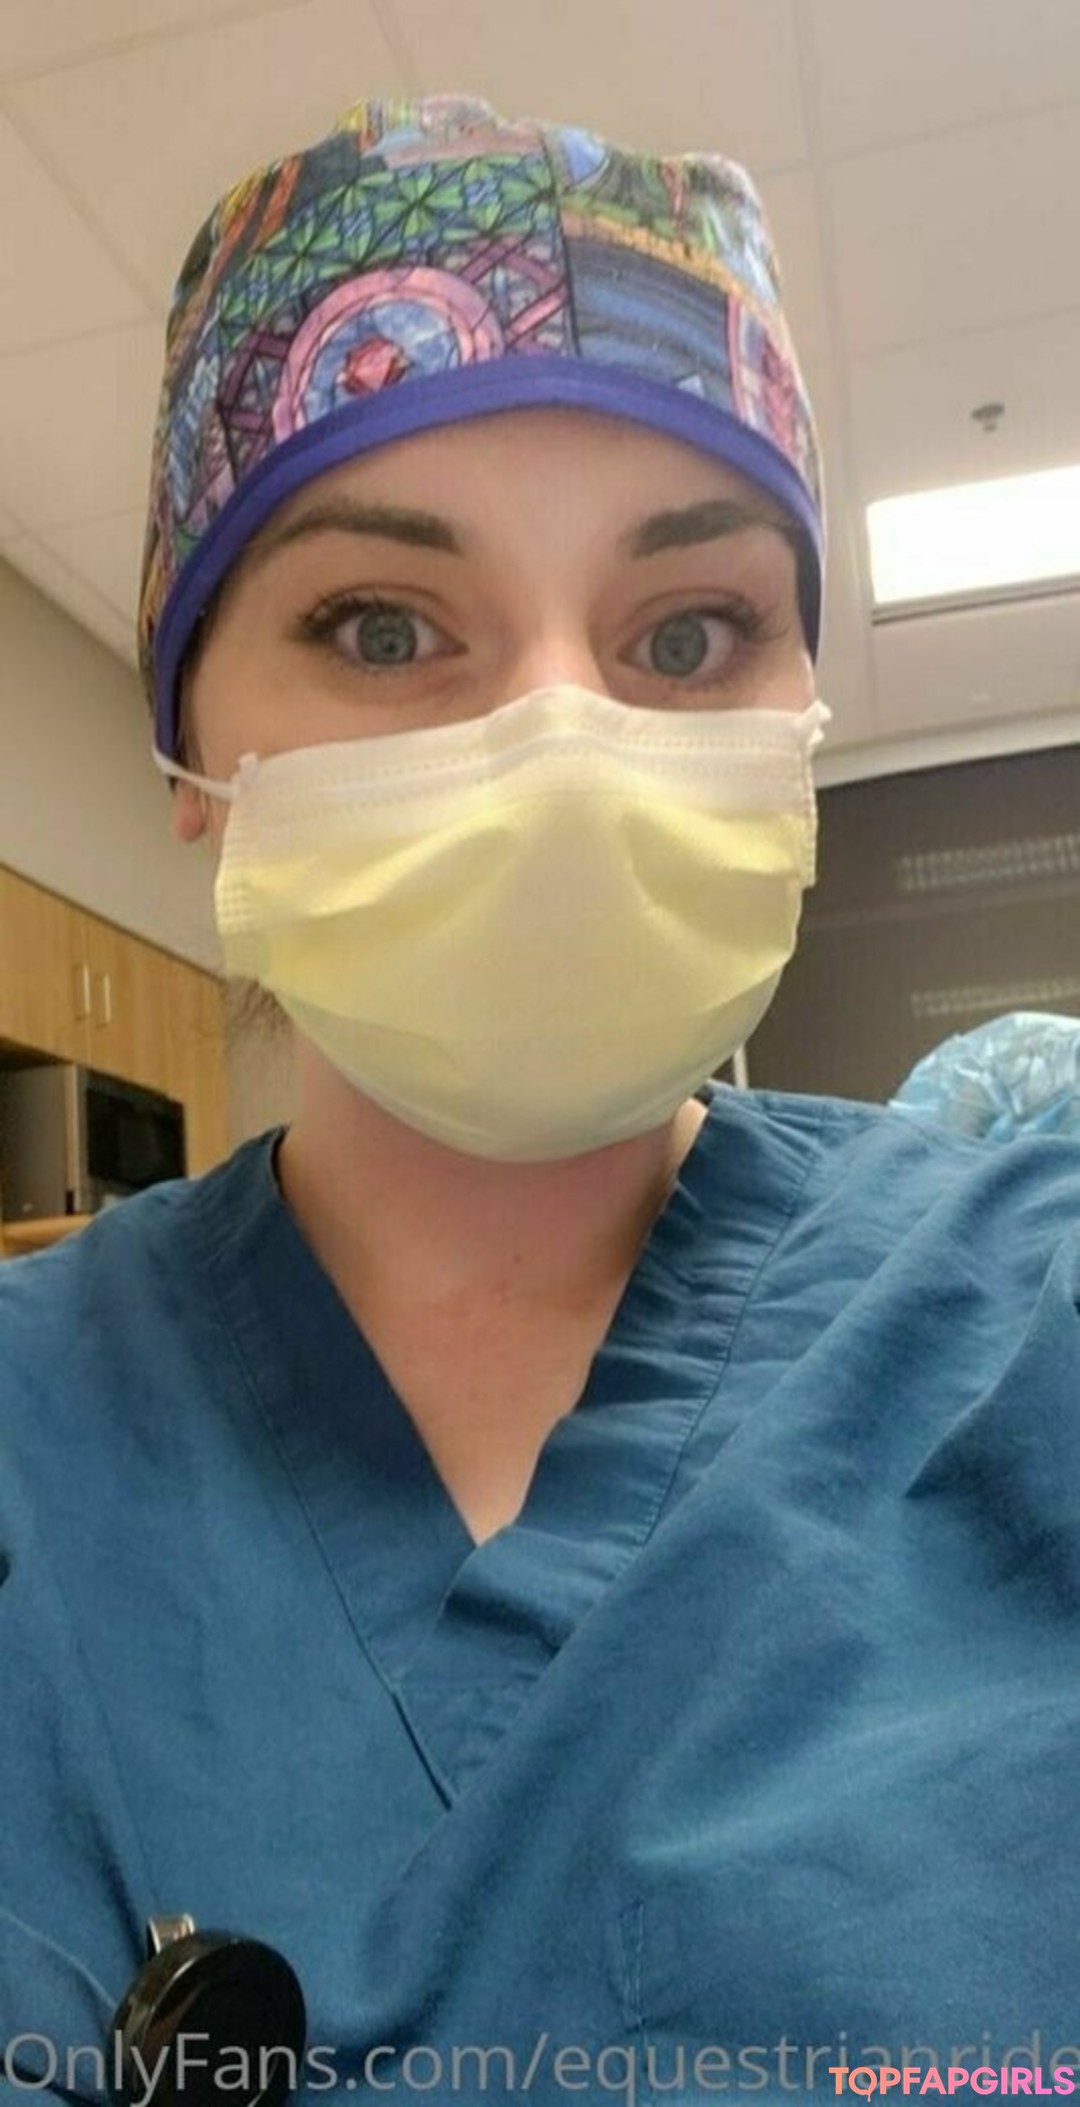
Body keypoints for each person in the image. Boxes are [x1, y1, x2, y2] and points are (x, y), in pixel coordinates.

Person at [1, 92, 1079, 2107]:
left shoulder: (1035, 1308)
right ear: (188, 752)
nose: (564, 748)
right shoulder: (29, 1449)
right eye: (384, 628)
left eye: (689, 632)